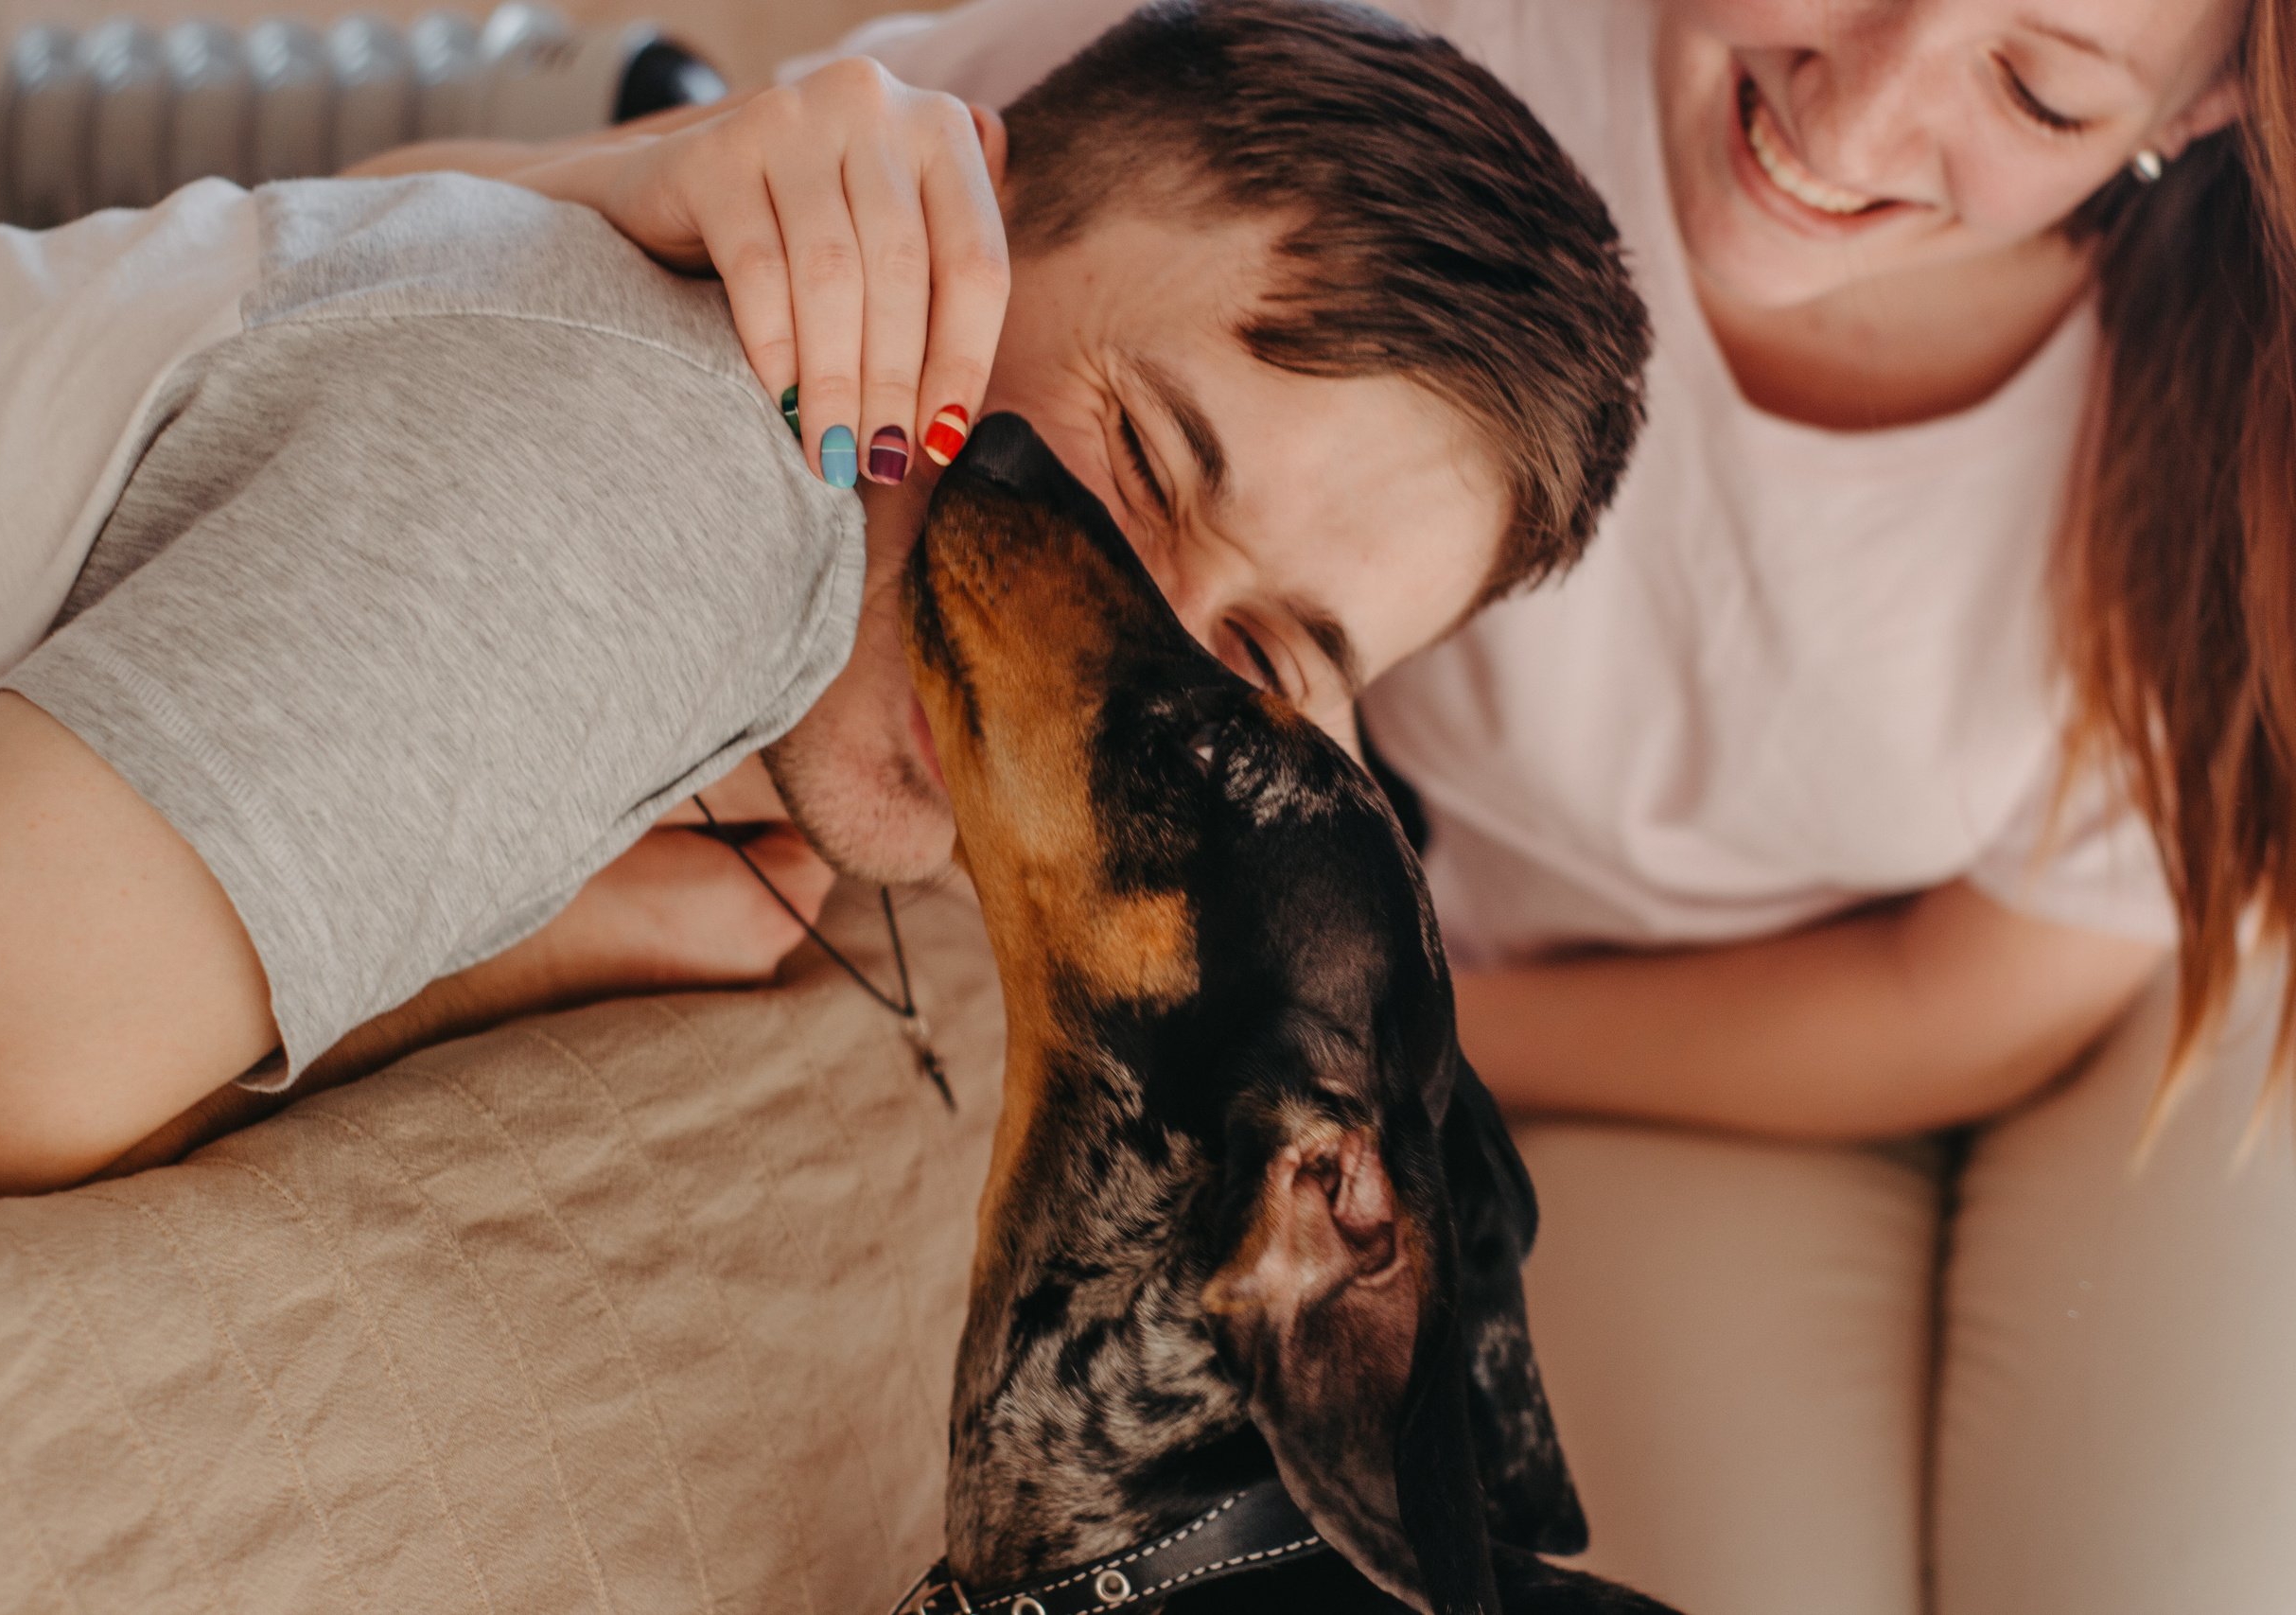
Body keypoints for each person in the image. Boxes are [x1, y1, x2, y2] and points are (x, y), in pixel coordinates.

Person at [717, 1, 2292, 1611]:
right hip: (1584, 1067)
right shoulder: (1420, 55)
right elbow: (832, 184)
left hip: (1995, 1026)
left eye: (2034, 90)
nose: (1857, 121)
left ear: (2225, 89)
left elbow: (1971, 992)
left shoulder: (2233, 428)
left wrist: (1395, 1067)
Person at [0, 0, 1647, 1213]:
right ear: (964, 222)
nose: (1135, 675)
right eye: (1154, 463)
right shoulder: (688, 499)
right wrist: (518, 960)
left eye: (1263, 653)